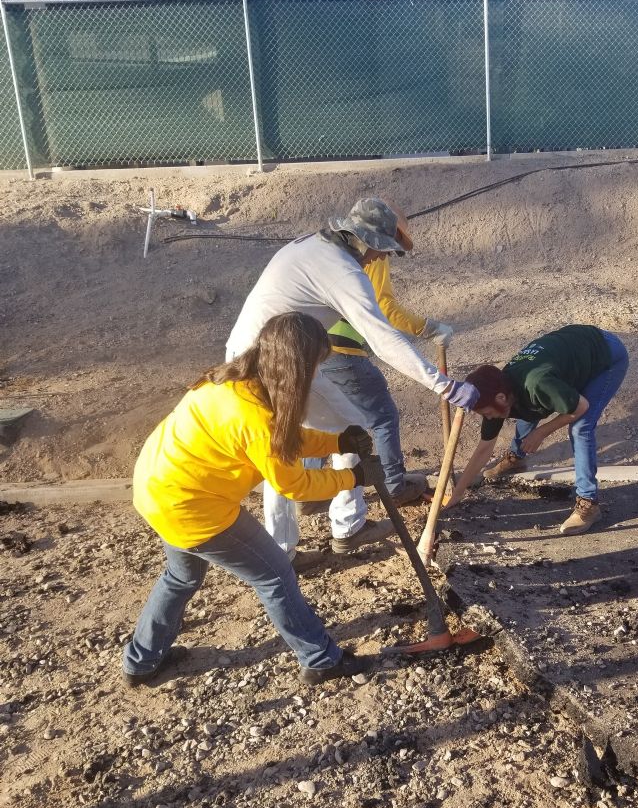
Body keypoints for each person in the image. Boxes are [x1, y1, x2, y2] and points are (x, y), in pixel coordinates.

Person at [123, 314, 376, 688]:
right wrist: (352, 477)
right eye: (315, 367)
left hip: (156, 487)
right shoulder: (256, 417)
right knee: (274, 574)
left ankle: (141, 662)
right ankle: (319, 659)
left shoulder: (231, 380)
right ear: (297, 368)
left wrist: (335, 442)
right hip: (193, 508)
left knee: (180, 576)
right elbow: (296, 484)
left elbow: (281, 442)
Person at [226, 197, 478, 558]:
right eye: (382, 251)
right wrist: (445, 386)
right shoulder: (342, 270)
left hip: (282, 357)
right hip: (267, 364)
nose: (380, 259)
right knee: (284, 450)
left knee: (347, 430)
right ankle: (288, 551)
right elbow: (382, 336)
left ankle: (346, 526)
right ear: (366, 241)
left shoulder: (311, 246)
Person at [447, 325, 629, 535]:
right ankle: (517, 458)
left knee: (581, 428)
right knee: (525, 410)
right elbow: (484, 448)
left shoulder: (537, 384)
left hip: (605, 355)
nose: (487, 417)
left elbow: (581, 407)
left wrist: (541, 433)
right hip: (572, 352)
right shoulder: (498, 390)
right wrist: (459, 491)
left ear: (500, 398)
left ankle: (589, 503)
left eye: (486, 412)